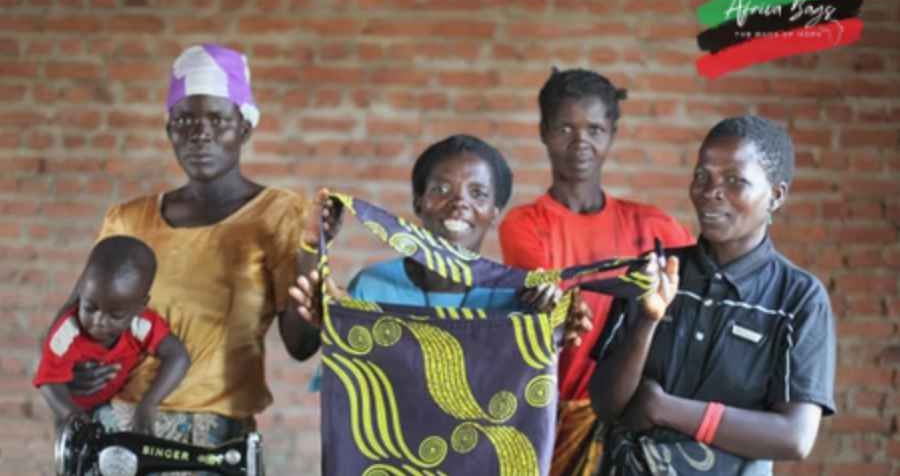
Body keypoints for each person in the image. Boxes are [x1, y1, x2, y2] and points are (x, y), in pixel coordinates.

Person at [47, 44, 319, 447]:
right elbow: (72, 322)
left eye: (217, 119)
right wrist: (75, 375)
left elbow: (300, 345)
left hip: (217, 440)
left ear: (244, 128)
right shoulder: (128, 219)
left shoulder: (279, 214)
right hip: (118, 431)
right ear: (169, 129)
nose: (200, 133)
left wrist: (313, 255)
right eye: (185, 120)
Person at [589, 115, 836, 475]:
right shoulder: (654, 273)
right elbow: (606, 404)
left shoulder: (797, 299)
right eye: (702, 176)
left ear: (776, 196)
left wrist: (664, 407)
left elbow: (793, 437)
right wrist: (647, 320)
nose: (710, 192)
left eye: (735, 181)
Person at [498, 68, 695, 475]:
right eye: (565, 127)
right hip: (551, 417)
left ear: (612, 133)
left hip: (632, 425)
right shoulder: (526, 224)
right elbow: (550, 303)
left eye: (594, 128)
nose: (580, 141)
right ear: (543, 132)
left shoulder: (653, 226)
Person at [291, 134, 592, 339]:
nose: (459, 203)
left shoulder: (515, 297)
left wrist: (552, 322)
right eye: (441, 189)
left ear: (493, 211)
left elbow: (525, 384)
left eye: (478, 193)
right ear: (418, 203)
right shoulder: (372, 286)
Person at [35, 236, 189, 434]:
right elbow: (48, 382)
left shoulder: (140, 324)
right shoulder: (67, 331)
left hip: (115, 408)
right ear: (81, 290)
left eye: (115, 315)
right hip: (72, 410)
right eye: (90, 308)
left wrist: (148, 404)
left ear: (140, 307)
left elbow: (178, 356)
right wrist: (73, 416)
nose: (99, 320)